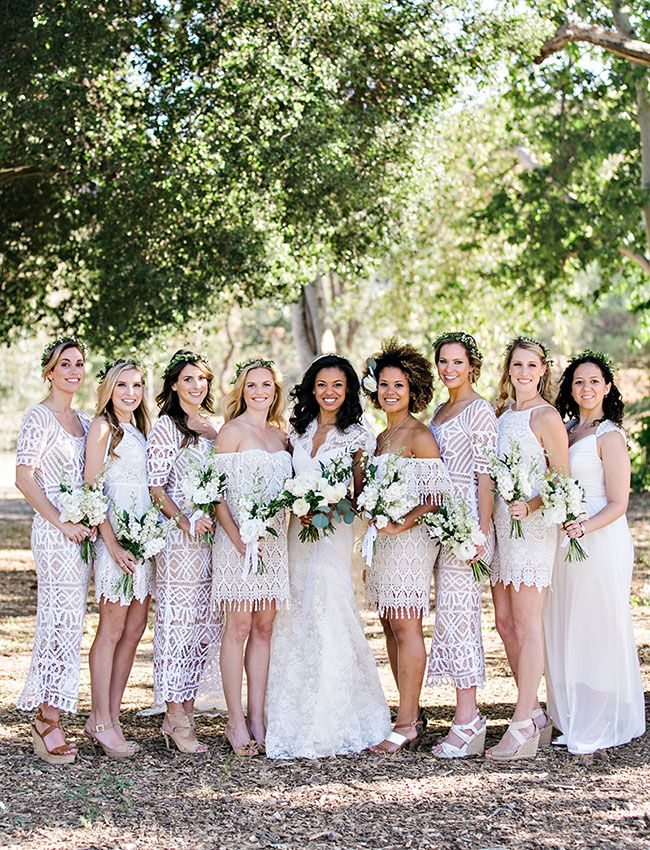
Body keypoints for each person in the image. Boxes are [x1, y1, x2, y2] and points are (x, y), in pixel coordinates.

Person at [265, 355, 391, 759]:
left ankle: (336, 715)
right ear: (311, 388)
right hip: (296, 535)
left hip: (332, 534)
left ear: (349, 389)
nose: (329, 392)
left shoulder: (357, 434)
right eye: (322, 385)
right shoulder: (297, 431)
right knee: (295, 612)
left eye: (338, 385)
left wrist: (327, 506)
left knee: (330, 608)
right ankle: (290, 711)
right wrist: (298, 506)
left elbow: (360, 496)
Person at [545, 350, 645, 754]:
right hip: (563, 539)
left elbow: (619, 502)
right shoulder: (566, 430)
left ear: (606, 387)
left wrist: (584, 527)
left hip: (599, 539)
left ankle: (602, 718)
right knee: (566, 624)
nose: (586, 388)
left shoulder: (610, 435)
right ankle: (572, 714)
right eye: (578, 382)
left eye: (593, 381)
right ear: (571, 388)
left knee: (597, 625)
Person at [361, 339, 450, 753]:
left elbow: (436, 496)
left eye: (398, 385)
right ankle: (409, 713)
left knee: (406, 624)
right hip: (383, 544)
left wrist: (402, 524)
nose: (390, 392)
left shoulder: (418, 434)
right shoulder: (381, 437)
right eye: (383, 385)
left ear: (412, 389)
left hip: (410, 542)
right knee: (389, 625)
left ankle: (407, 722)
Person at [488, 337, 568, 761]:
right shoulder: (501, 415)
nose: (523, 371)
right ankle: (535, 711)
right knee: (503, 622)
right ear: (509, 369)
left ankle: (522, 719)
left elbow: (562, 477)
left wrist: (532, 503)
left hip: (532, 527)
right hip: (502, 525)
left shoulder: (546, 416)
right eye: (516, 364)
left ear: (542, 370)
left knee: (526, 621)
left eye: (531, 365)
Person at [15, 338, 91, 764]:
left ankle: (54, 709)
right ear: (49, 370)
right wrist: (60, 520)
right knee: (57, 619)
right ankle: (47, 718)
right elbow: (24, 477)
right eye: (65, 364)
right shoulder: (39, 418)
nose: (73, 371)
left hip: (80, 535)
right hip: (54, 533)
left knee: (72, 621)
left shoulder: (82, 419)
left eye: (79, 364)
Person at [212, 359, 291, 756]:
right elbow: (217, 496)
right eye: (251, 385)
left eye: (266, 385)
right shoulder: (231, 432)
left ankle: (258, 717)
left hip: (273, 544)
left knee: (264, 628)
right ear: (241, 390)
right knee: (238, 626)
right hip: (237, 543)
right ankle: (235, 721)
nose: (259, 391)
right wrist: (239, 539)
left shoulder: (281, 437)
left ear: (275, 390)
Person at [426, 332, 497, 759]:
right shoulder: (440, 409)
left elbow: (485, 476)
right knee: (448, 618)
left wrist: (480, 532)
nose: (449, 369)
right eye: (443, 362)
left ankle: (468, 720)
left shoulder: (480, 411)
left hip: (466, 525)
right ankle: (463, 717)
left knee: (461, 618)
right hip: (438, 525)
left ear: (472, 365)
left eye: (457, 362)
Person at [147, 349, 220, 753]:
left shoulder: (215, 424)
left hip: (212, 543)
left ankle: (187, 711)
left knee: (202, 628)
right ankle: (174, 717)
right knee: (177, 625)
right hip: (179, 542)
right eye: (188, 379)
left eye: (202, 379)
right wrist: (185, 520)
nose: (196, 385)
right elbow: (156, 486)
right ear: (174, 385)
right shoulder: (166, 427)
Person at [84, 359, 152, 758]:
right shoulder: (103, 429)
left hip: (142, 542)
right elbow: (93, 492)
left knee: (136, 624)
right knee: (111, 627)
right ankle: (101, 719)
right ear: (109, 388)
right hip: (116, 542)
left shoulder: (139, 431)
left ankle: (110, 714)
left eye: (137, 386)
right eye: (123, 385)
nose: (130, 393)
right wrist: (111, 544)